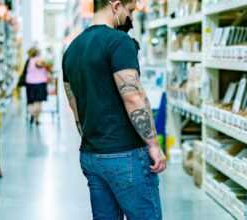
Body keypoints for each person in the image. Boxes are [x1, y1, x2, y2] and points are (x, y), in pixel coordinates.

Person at [62, 1, 167, 220]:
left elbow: (74, 105)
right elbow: (133, 96)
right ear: (116, 5)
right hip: (125, 154)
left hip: (91, 155)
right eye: (130, 11)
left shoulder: (72, 49)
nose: (131, 18)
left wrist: (92, 139)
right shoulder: (119, 42)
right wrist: (154, 145)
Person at [25, 47, 49, 125]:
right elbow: (40, 65)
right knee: (38, 102)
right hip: (40, 83)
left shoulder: (28, 61)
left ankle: (32, 115)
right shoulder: (39, 60)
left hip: (30, 83)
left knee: (31, 101)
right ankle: (36, 118)